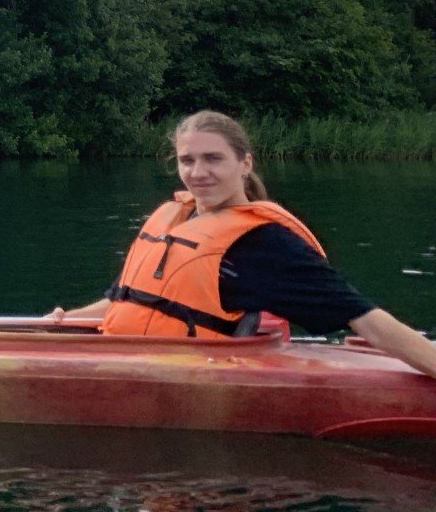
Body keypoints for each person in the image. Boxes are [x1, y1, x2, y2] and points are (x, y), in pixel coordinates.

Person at [50, 110, 436, 379]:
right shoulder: (177, 218)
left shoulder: (264, 243)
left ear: (245, 164)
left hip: (191, 380)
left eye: (213, 159)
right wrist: (62, 323)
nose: (198, 173)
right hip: (129, 363)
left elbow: (366, 320)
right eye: (187, 160)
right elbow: (130, 302)